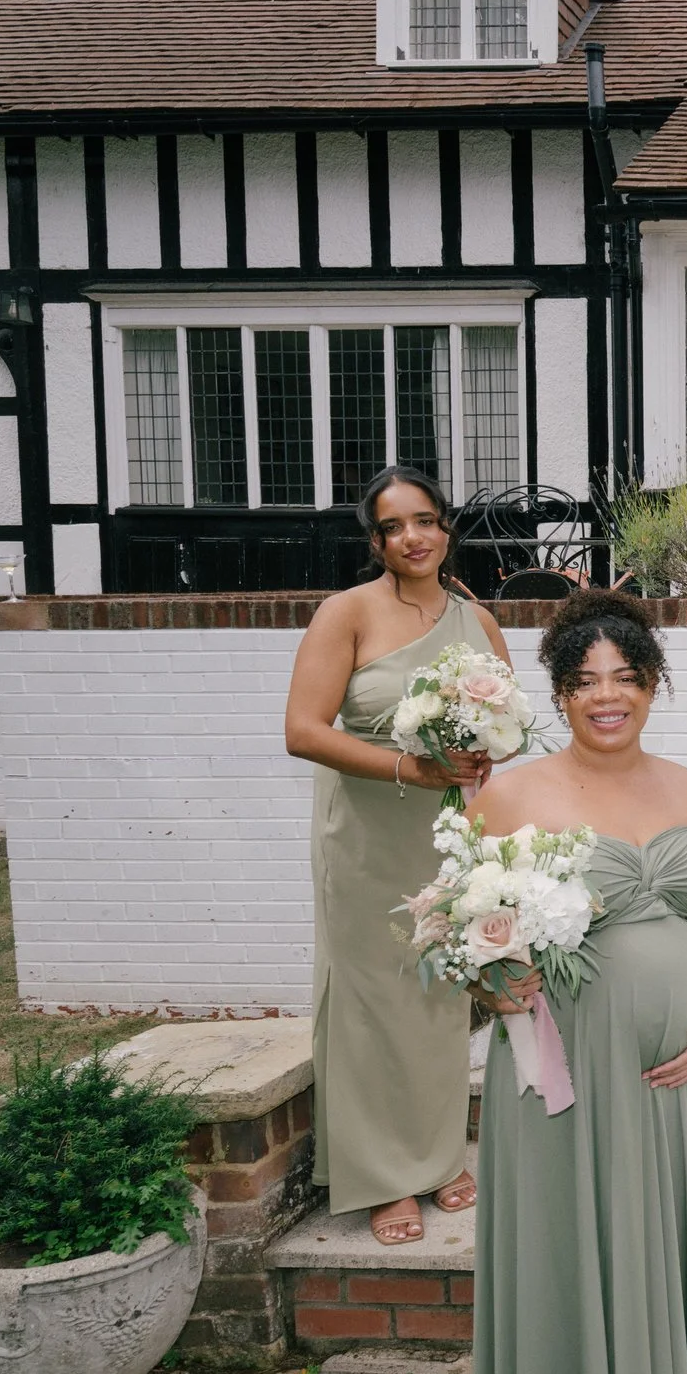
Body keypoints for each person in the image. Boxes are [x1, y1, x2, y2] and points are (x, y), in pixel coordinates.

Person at [465, 590, 687, 1374]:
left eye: (625, 678)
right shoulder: (510, 793)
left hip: (675, 1084)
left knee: (662, 1260)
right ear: (557, 692)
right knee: (573, 1261)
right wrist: (494, 983)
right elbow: (460, 935)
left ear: (652, 685)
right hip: (567, 1084)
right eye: (585, 681)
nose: (607, 697)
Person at [283, 466, 508, 1248]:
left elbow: (503, 723)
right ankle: (383, 1176)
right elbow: (304, 730)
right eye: (394, 526)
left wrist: (475, 760)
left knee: (440, 991)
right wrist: (409, 766)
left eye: (426, 520)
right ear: (374, 540)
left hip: (442, 834)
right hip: (367, 834)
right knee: (375, 997)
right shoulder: (345, 613)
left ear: (446, 529)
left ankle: (440, 1156)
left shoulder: (475, 619)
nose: (413, 537)